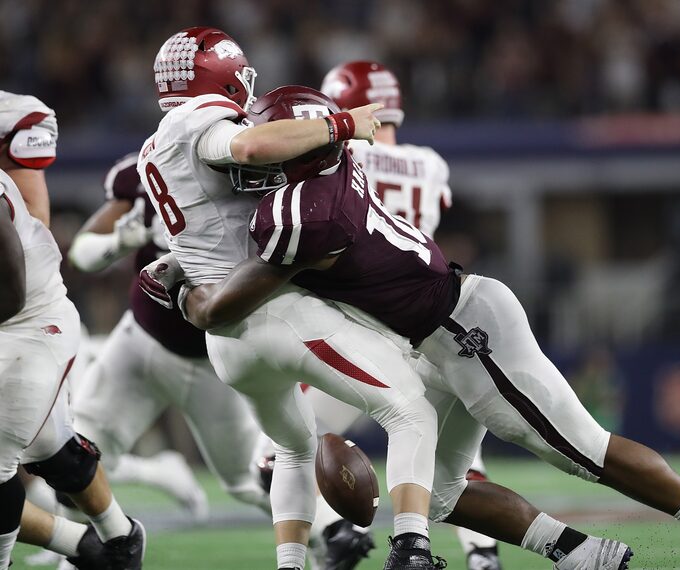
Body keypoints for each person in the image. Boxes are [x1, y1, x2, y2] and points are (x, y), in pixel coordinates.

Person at [159, 84, 680, 570]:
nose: (261, 151)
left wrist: (180, 284)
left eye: (279, 136)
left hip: (462, 327)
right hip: (428, 338)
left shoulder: (305, 212)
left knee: (579, 452)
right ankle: (582, 553)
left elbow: (222, 308)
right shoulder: (315, 185)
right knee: (432, 491)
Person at [135, 27, 447, 570]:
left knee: (294, 449)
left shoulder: (154, 146)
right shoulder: (202, 122)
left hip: (226, 341)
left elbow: (211, 225)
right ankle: (412, 551)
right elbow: (248, 146)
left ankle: (291, 564)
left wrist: (175, 267)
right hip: (271, 313)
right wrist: (342, 124)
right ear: (221, 75)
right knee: (409, 407)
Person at [298, 59, 501, 570]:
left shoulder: (343, 154)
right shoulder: (430, 163)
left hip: (357, 324)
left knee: (281, 443)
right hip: (423, 319)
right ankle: (483, 554)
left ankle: (337, 533)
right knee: (450, 461)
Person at [68, 151, 271, 518]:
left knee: (247, 479)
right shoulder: (146, 169)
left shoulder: (251, 168)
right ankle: (88, 552)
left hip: (213, 359)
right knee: (76, 457)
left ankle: (332, 532)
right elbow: (82, 253)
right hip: (142, 337)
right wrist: (119, 242)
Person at [0, 92, 144, 569]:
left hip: (23, 320)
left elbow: (14, 278)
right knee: (49, 449)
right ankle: (110, 546)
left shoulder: (14, 120)